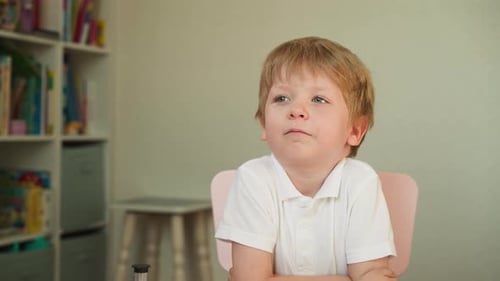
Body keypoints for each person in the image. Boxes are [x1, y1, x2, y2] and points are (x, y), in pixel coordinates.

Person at [215, 36, 397, 281]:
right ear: (264, 125)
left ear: (355, 130)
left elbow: (372, 275)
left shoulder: (361, 182)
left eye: (318, 99)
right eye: (282, 98)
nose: (296, 110)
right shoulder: (254, 178)